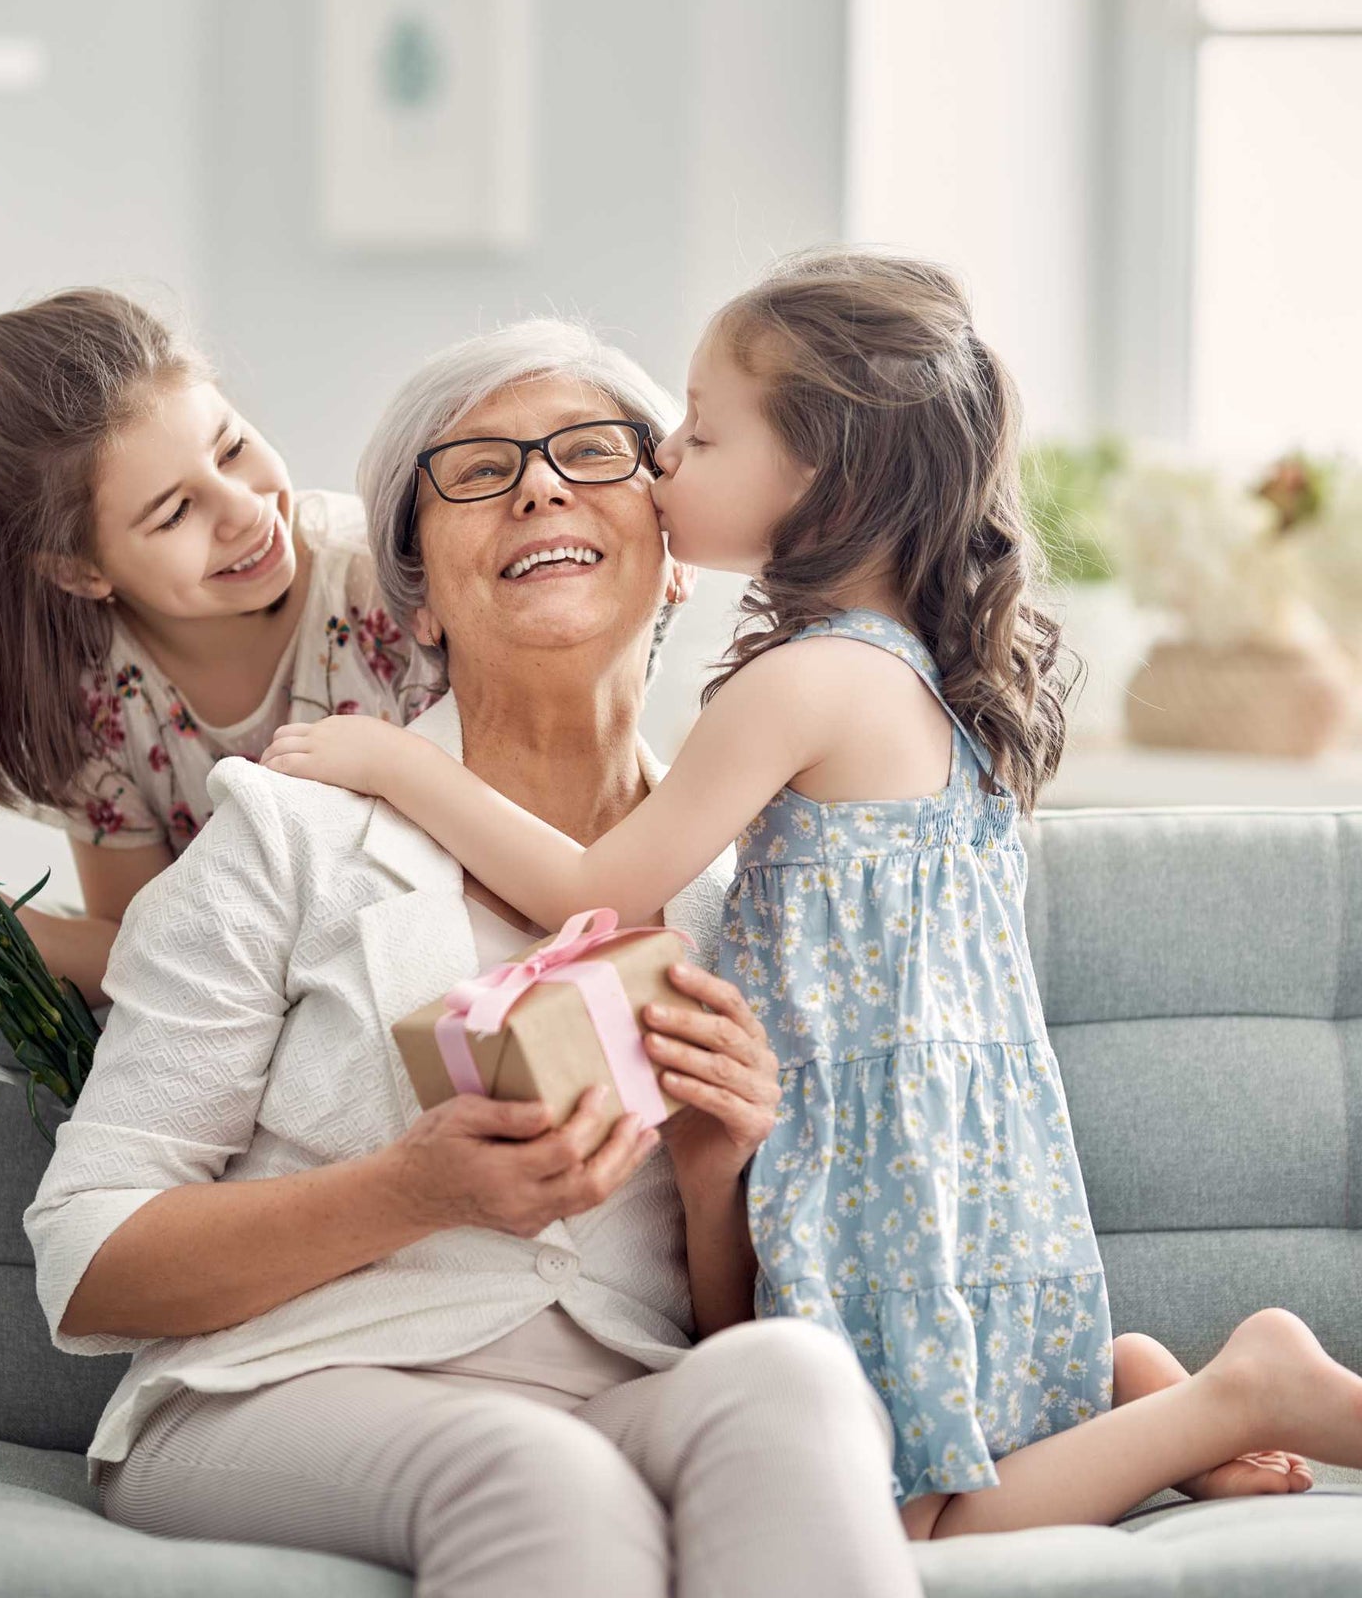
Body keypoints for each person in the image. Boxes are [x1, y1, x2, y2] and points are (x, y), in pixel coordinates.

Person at [262, 251, 1362, 1539]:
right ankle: (1127, 1384)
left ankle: (1235, 1395)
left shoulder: (801, 685)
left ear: (819, 478)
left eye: (701, 432)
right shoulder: (909, 675)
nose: (663, 459)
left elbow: (596, 890)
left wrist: (395, 757)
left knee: (910, 1526)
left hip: (871, 1126)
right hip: (939, 1117)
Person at [24, 318, 922, 1598]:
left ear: (672, 556)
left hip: (617, 1396)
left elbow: (725, 1322)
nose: (540, 485)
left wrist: (720, 1172)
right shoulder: (289, 835)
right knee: (532, 1470)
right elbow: (90, 1253)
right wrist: (414, 1190)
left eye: (588, 453)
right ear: (421, 598)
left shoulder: (758, 891)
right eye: (479, 470)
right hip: (274, 1395)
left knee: (793, 1375)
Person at [0, 289, 434, 1001]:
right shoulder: (98, 706)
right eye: (176, 512)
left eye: (233, 448)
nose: (244, 510)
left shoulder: (392, 581)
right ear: (78, 571)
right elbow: (145, 945)